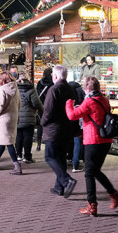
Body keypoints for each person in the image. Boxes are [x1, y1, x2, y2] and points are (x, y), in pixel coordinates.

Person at [66, 76, 118, 216]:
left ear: (86, 88)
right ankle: (114, 196)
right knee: (95, 171)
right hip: (105, 140)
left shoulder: (89, 101)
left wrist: (69, 103)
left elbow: (72, 115)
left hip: (93, 140)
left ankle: (92, 205)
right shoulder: (104, 99)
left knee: (89, 173)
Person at [41, 65, 78, 198]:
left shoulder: (54, 89)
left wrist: (42, 122)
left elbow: (48, 110)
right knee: (61, 157)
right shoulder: (70, 89)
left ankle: (66, 180)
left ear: (55, 76)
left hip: (53, 129)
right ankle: (59, 187)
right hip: (67, 127)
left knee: (50, 156)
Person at [0, 72, 22, 175]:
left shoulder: (3, 89)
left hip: (3, 119)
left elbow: (0, 105)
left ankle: (17, 165)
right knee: (4, 141)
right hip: (13, 117)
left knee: (8, 142)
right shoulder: (16, 88)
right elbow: (19, 104)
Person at [16, 74, 43, 164]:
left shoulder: (15, 88)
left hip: (17, 117)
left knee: (18, 136)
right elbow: (36, 103)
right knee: (28, 137)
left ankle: (18, 155)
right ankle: (27, 156)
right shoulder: (31, 89)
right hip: (29, 117)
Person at [35, 67, 54, 152]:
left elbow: (36, 94)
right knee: (49, 125)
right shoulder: (53, 83)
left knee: (40, 125)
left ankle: (38, 143)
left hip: (41, 106)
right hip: (50, 107)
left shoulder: (40, 82)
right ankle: (48, 144)